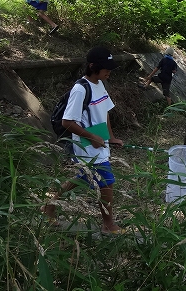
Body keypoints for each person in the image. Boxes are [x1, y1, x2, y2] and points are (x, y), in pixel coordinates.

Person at [42, 46, 124, 233]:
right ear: (93, 67)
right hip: (86, 144)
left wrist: (111, 137)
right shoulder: (80, 89)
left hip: (99, 140)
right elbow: (67, 121)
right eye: (106, 68)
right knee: (107, 182)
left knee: (82, 178)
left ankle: (48, 207)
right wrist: (92, 136)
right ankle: (108, 224)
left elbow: (105, 113)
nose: (109, 72)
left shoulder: (100, 84)